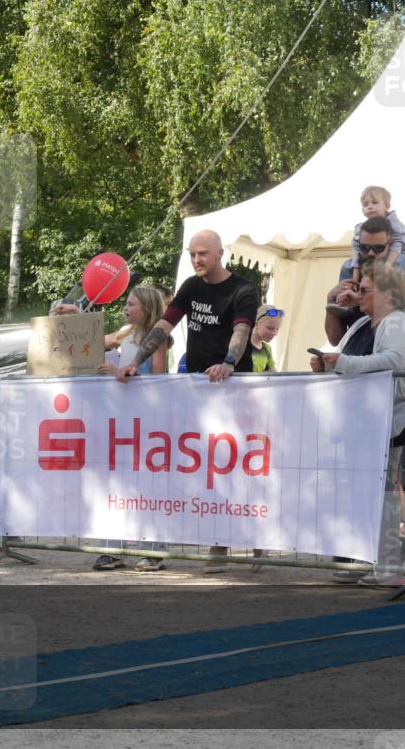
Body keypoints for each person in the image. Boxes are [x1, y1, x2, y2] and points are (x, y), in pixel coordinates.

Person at [117, 230, 259, 573]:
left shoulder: (243, 289)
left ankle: (231, 543)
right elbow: (165, 325)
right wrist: (136, 361)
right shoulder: (192, 287)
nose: (197, 260)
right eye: (193, 254)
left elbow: (241, 331)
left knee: (233, 464)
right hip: (196, 388)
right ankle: (214, 538)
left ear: (220, 254)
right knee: (203, 463)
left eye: (203, 254)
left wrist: (228, 362)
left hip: (232, 386)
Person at [316, 265, 405, 585]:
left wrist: (342, 363)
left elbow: (394, 360)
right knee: (362, 493)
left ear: (388, 294)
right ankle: (362, 559)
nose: (357, 295)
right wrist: (328, 364)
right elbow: (346, 358)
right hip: (359, 421)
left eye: (364, 290)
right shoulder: (362, 323)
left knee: (382, 494)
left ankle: (385, 563)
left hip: (385, 420)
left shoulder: (398, 322)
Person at [94, 286, 170, 572]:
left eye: (131, 304)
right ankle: (112, 548)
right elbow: (96, 339)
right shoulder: (125, 333)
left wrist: (118, 373)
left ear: (147, 309)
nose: (126, 309)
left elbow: (160, 379)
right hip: (120, 421)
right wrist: (77, 317)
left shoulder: (158, 339)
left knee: (148, 486)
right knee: (116, 484)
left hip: (148, 423)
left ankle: (155, 550)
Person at [250, 305, 284, 372]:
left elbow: (273, 374)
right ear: (257, 325)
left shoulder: (267, 349)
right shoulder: (243, 345)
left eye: (277, 329)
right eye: (270, 328)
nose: (274, 333)